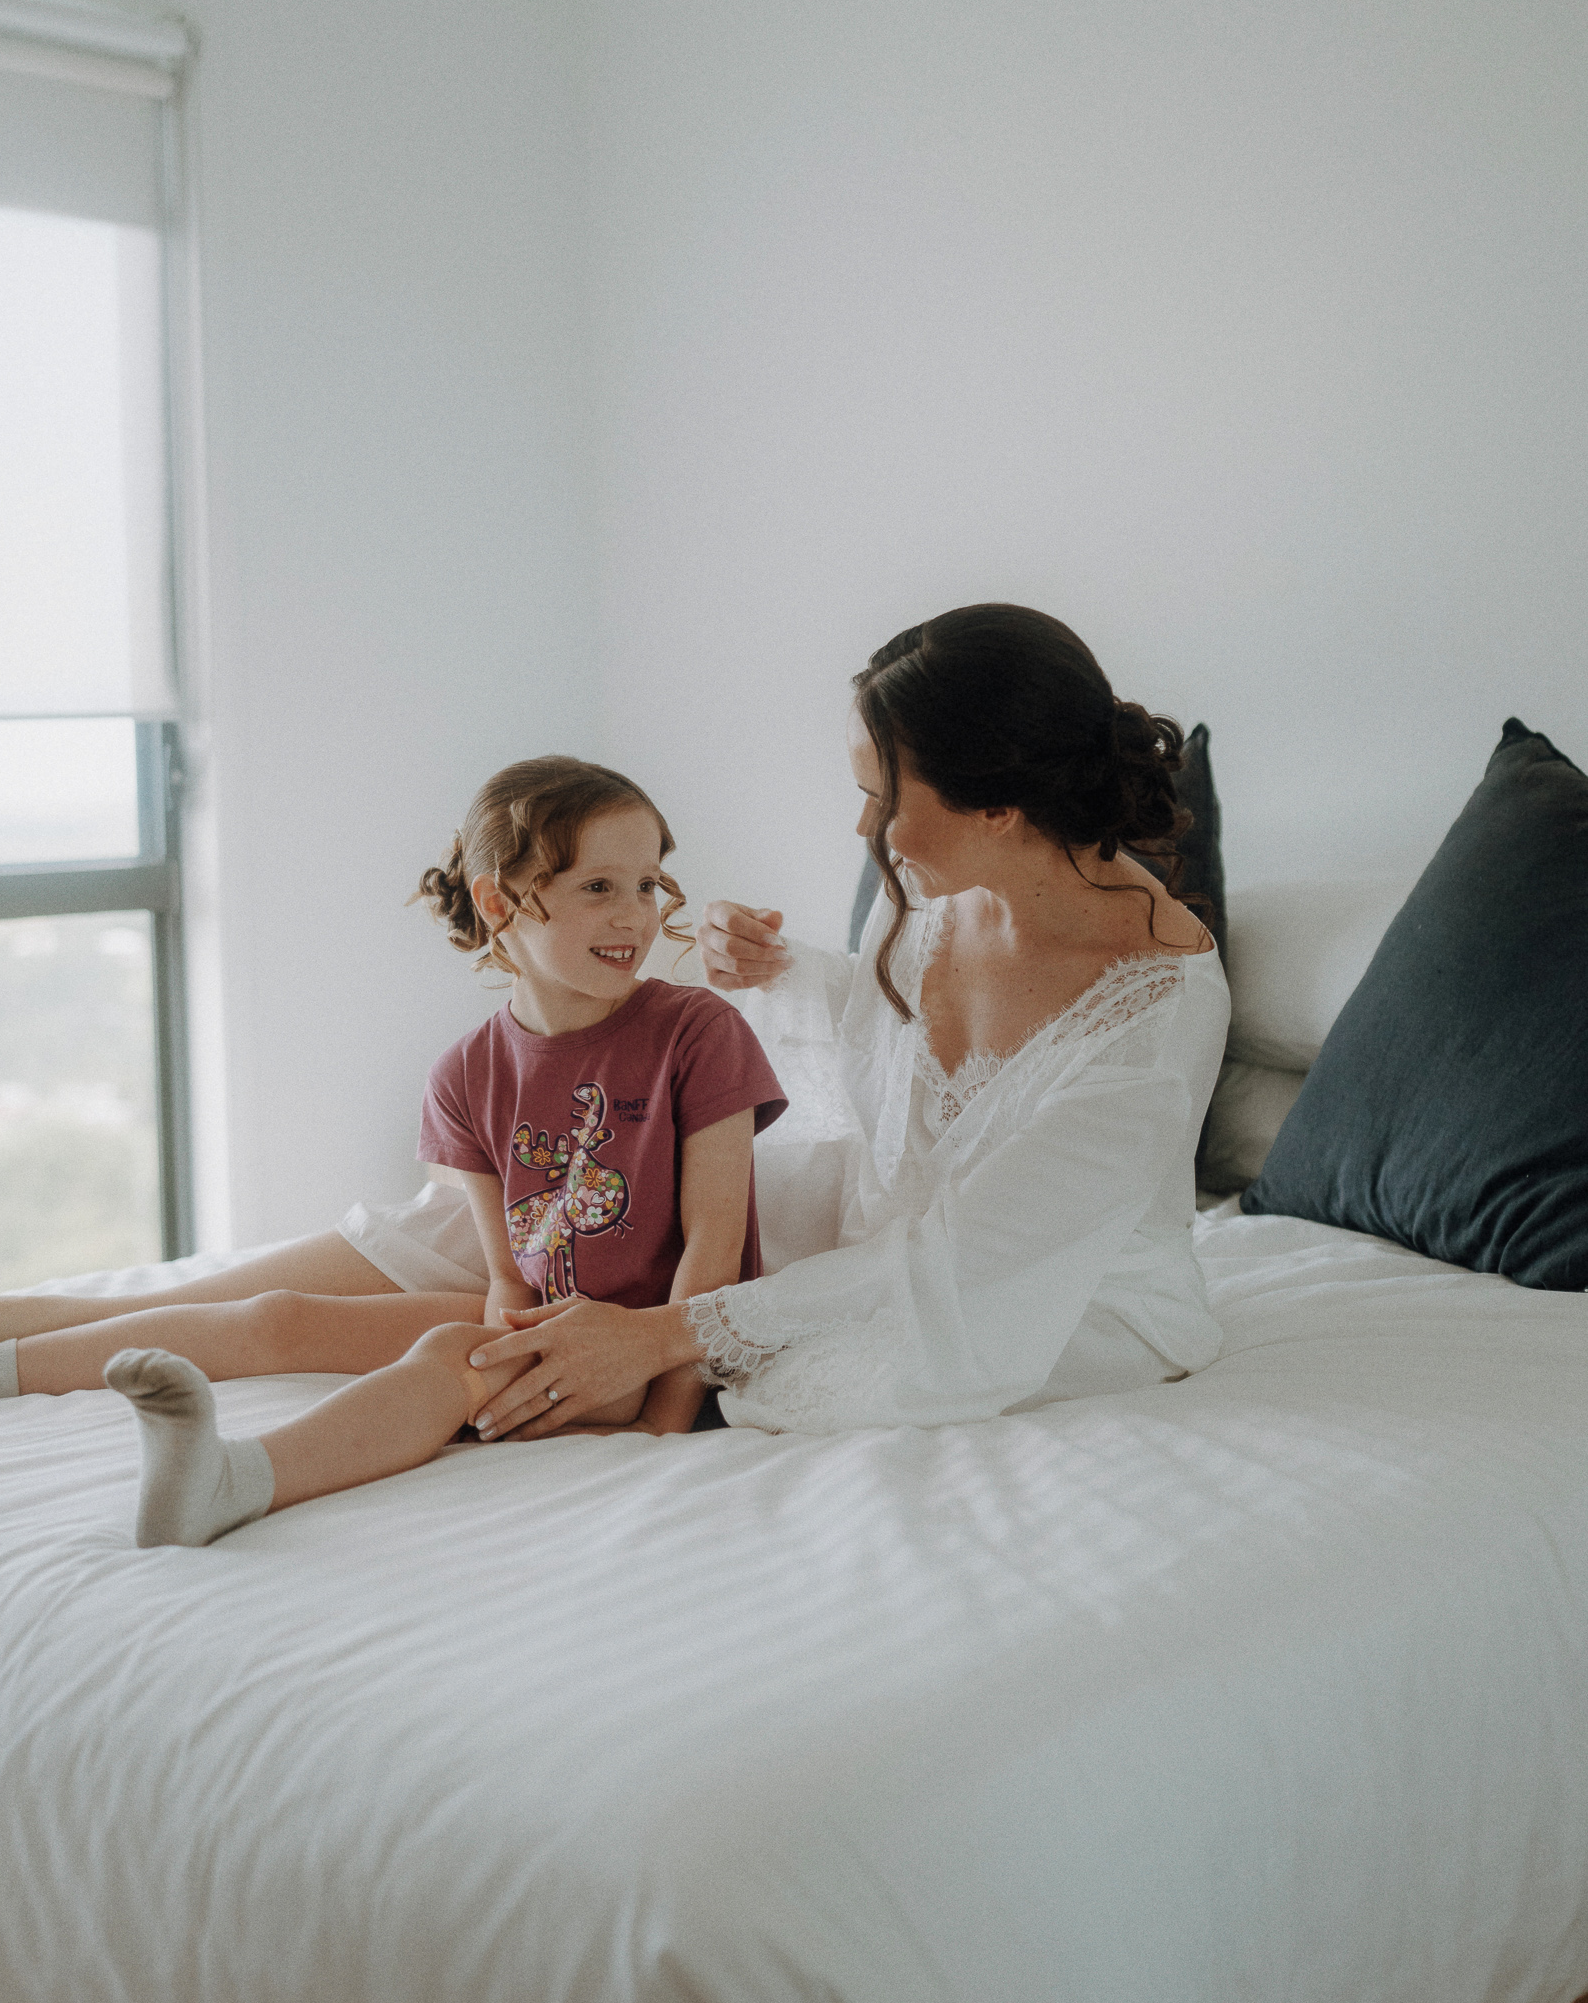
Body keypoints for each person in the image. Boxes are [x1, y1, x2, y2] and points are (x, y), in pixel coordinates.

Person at [0, 758, 785, 1543]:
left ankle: (236, 1481)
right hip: (552, 1330)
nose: (632, 913)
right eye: (598, 886)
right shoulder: (465, 1072)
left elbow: (713, 1248)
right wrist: (500, 1349)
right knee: (279, 1317)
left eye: (647, 884)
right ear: (499, 901)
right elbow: (513, 1274)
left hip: (658, 1350)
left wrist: (665, 1428)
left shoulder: (697, 1032)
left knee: (438, 1359)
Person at [462, 604, 1229, 1441]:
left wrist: (659, 1338)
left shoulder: (1155, 1016)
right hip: (883, 1216)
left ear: (997, 807)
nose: (864, 827)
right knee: (590, 1204)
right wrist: (774, 964)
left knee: (811, 1374)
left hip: (1041, 1288)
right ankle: (293, 1313)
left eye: (880, 798)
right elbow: (903, 1036)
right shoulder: (936, 888)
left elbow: (962, 1251)